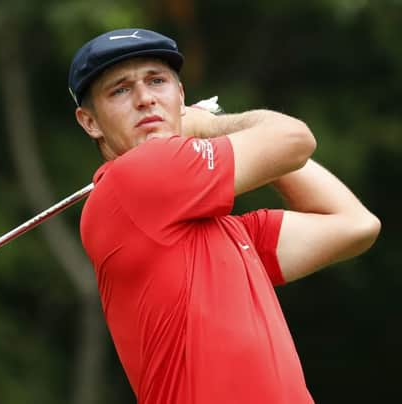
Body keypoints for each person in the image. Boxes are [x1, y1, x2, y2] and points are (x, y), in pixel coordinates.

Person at [69, 28, 381, 403]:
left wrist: (239, 145)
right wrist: (212, 126)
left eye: (157, 81)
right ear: (90, 122)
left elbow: (355, 225)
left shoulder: (229, 233)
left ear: (180, 97)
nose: (145, 99)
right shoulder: (134, 177)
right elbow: (295, 140)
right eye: (120, 90)